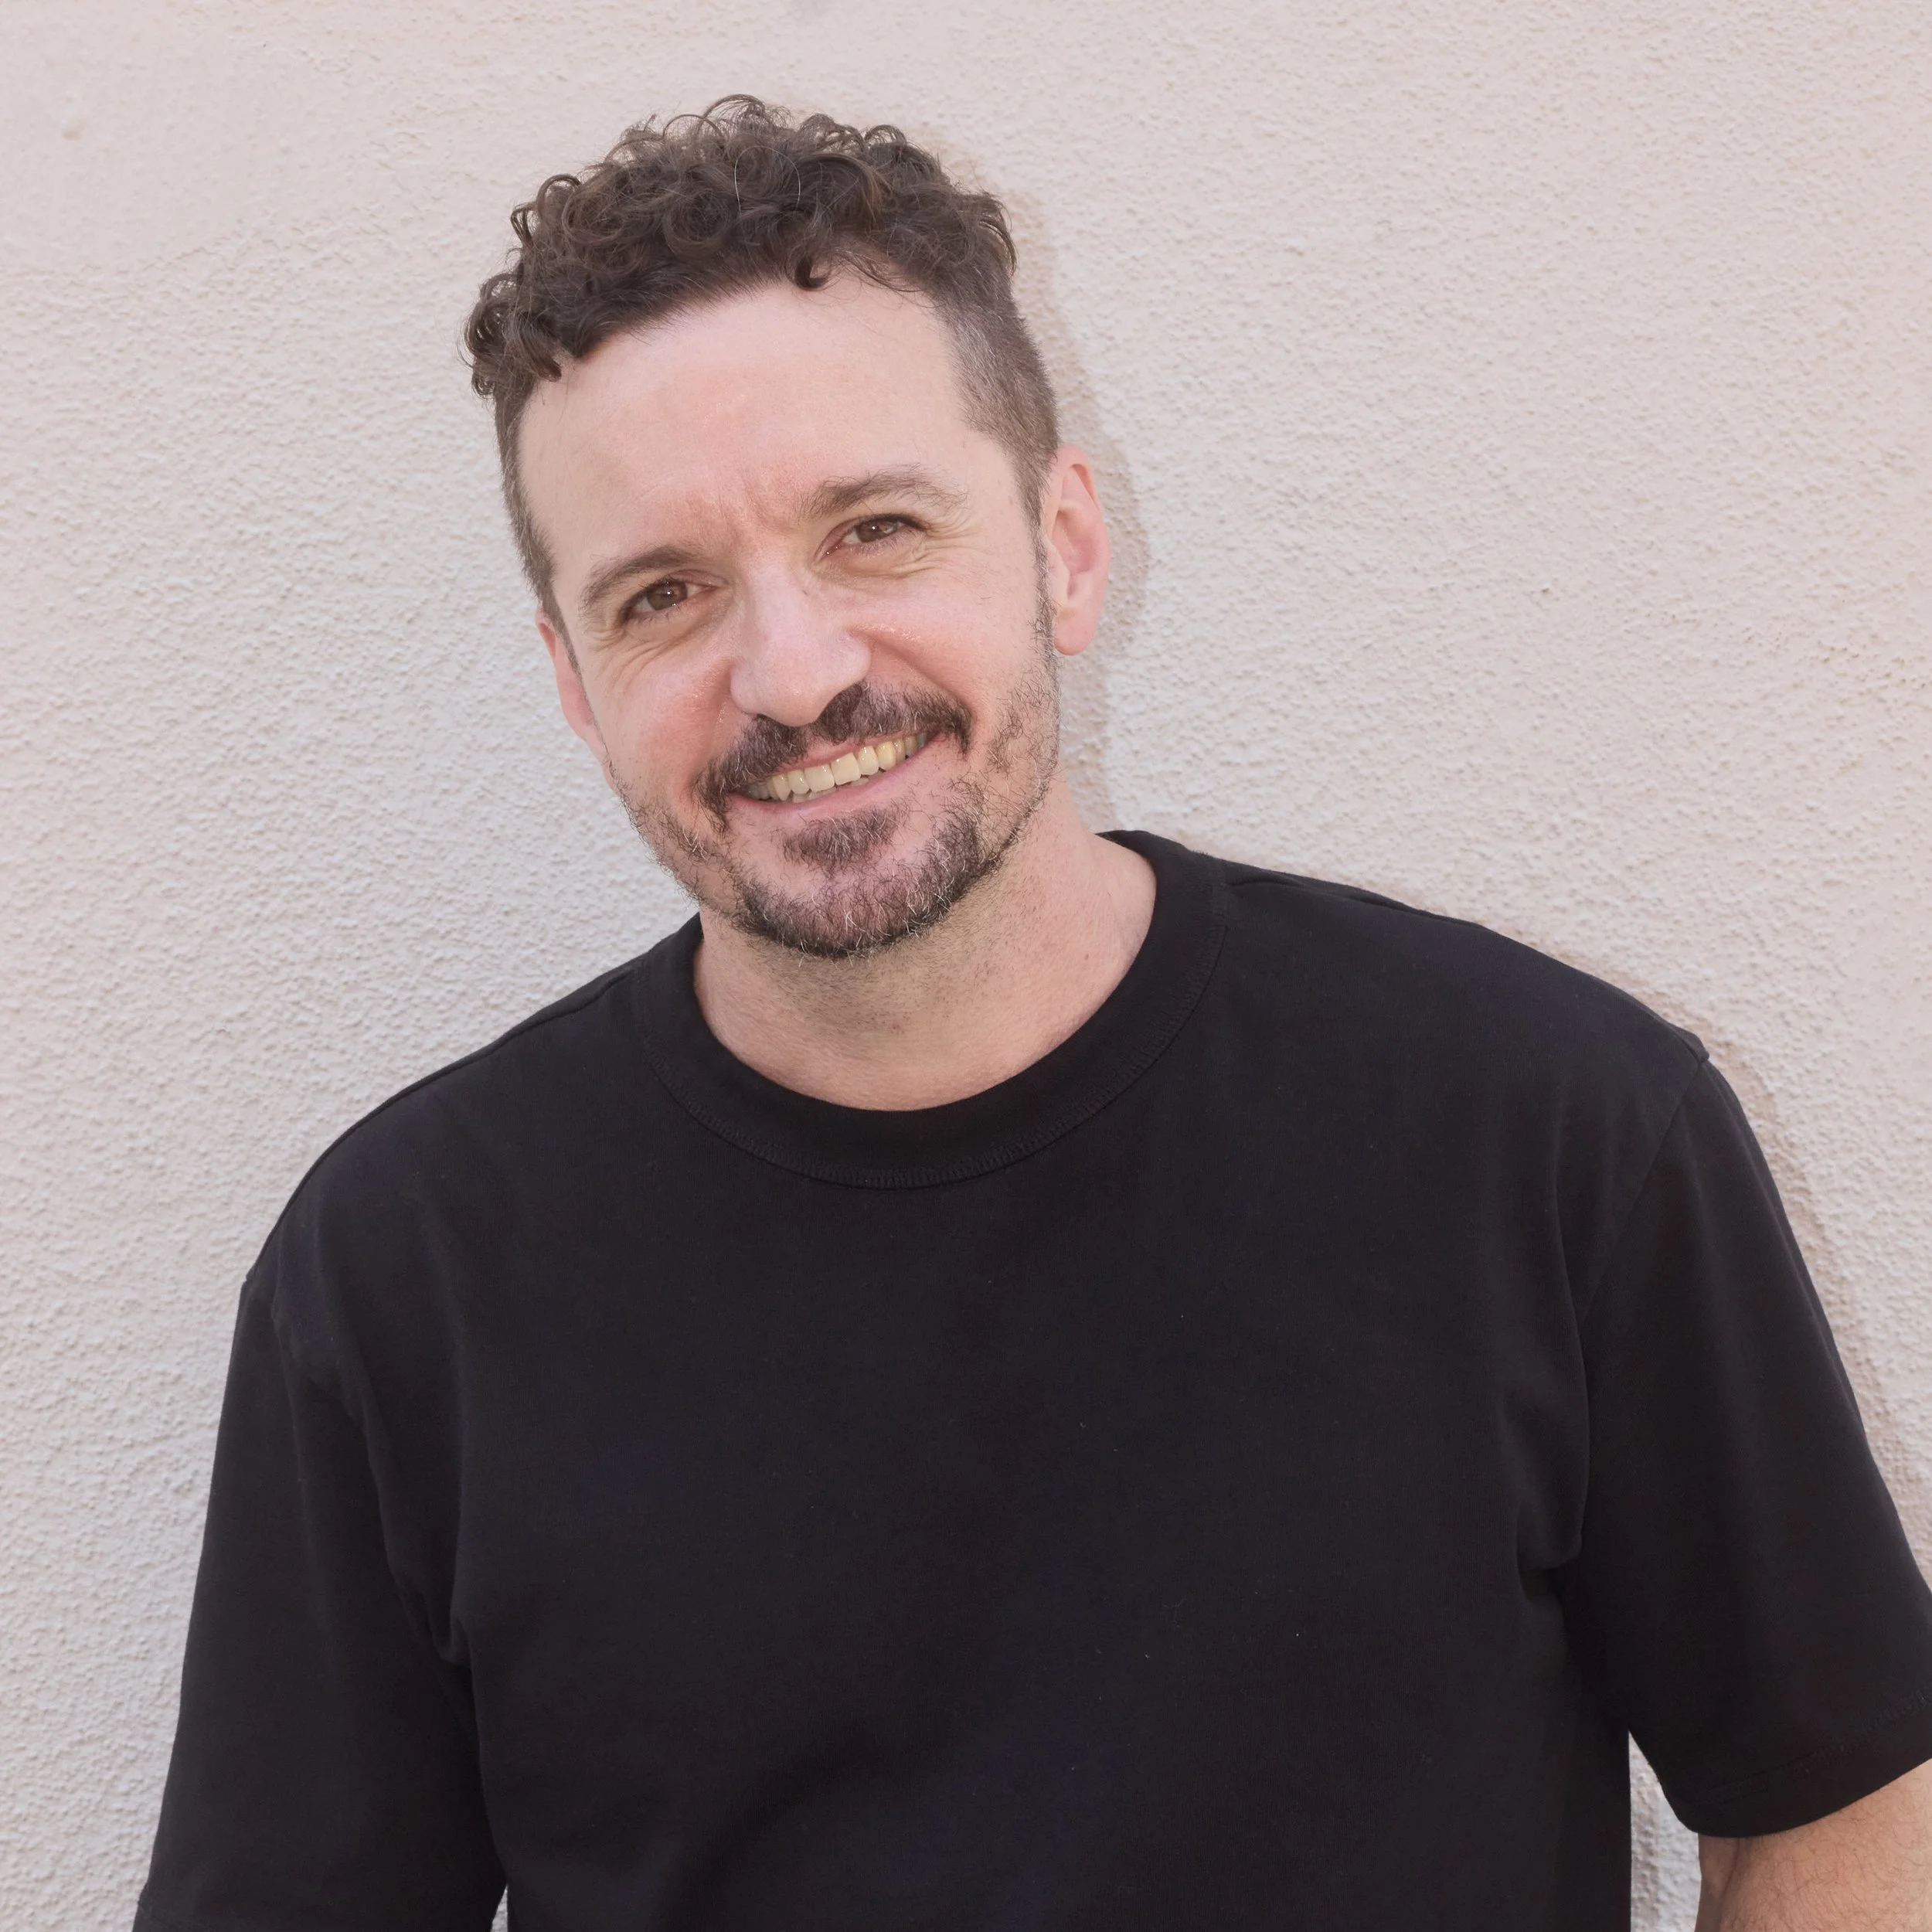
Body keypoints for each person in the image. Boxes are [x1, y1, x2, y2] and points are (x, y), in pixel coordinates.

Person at [135, 98, 1932, 1931]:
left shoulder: (1555, 1135)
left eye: (874, 530)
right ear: (575, 685)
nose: (795, 670)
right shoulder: (398, 1274)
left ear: (1065, 545)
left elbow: (1837, 1800)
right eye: (662, 594)